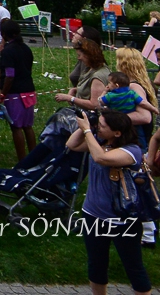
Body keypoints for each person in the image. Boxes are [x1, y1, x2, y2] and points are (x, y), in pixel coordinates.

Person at [70, 108, 152, 295]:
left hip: (122, 219)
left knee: (133, 266)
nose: (99, 128)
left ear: (117, 132)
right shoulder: (99, 142)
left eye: (103, 126)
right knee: (96, 264)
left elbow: (101, 158)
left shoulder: (132, 151)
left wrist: (88, 131)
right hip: (93, 215)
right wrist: (87, 125)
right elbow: (72, 145)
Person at [0, 18, 39, 162]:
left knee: (16, 127)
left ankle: (22, 160)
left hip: (15, 93)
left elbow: (9, 75)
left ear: (3, 34)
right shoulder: (25, 48)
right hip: (29, 90)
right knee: (28, 126)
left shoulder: (8, 51)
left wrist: (3, 94)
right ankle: (34, 156)